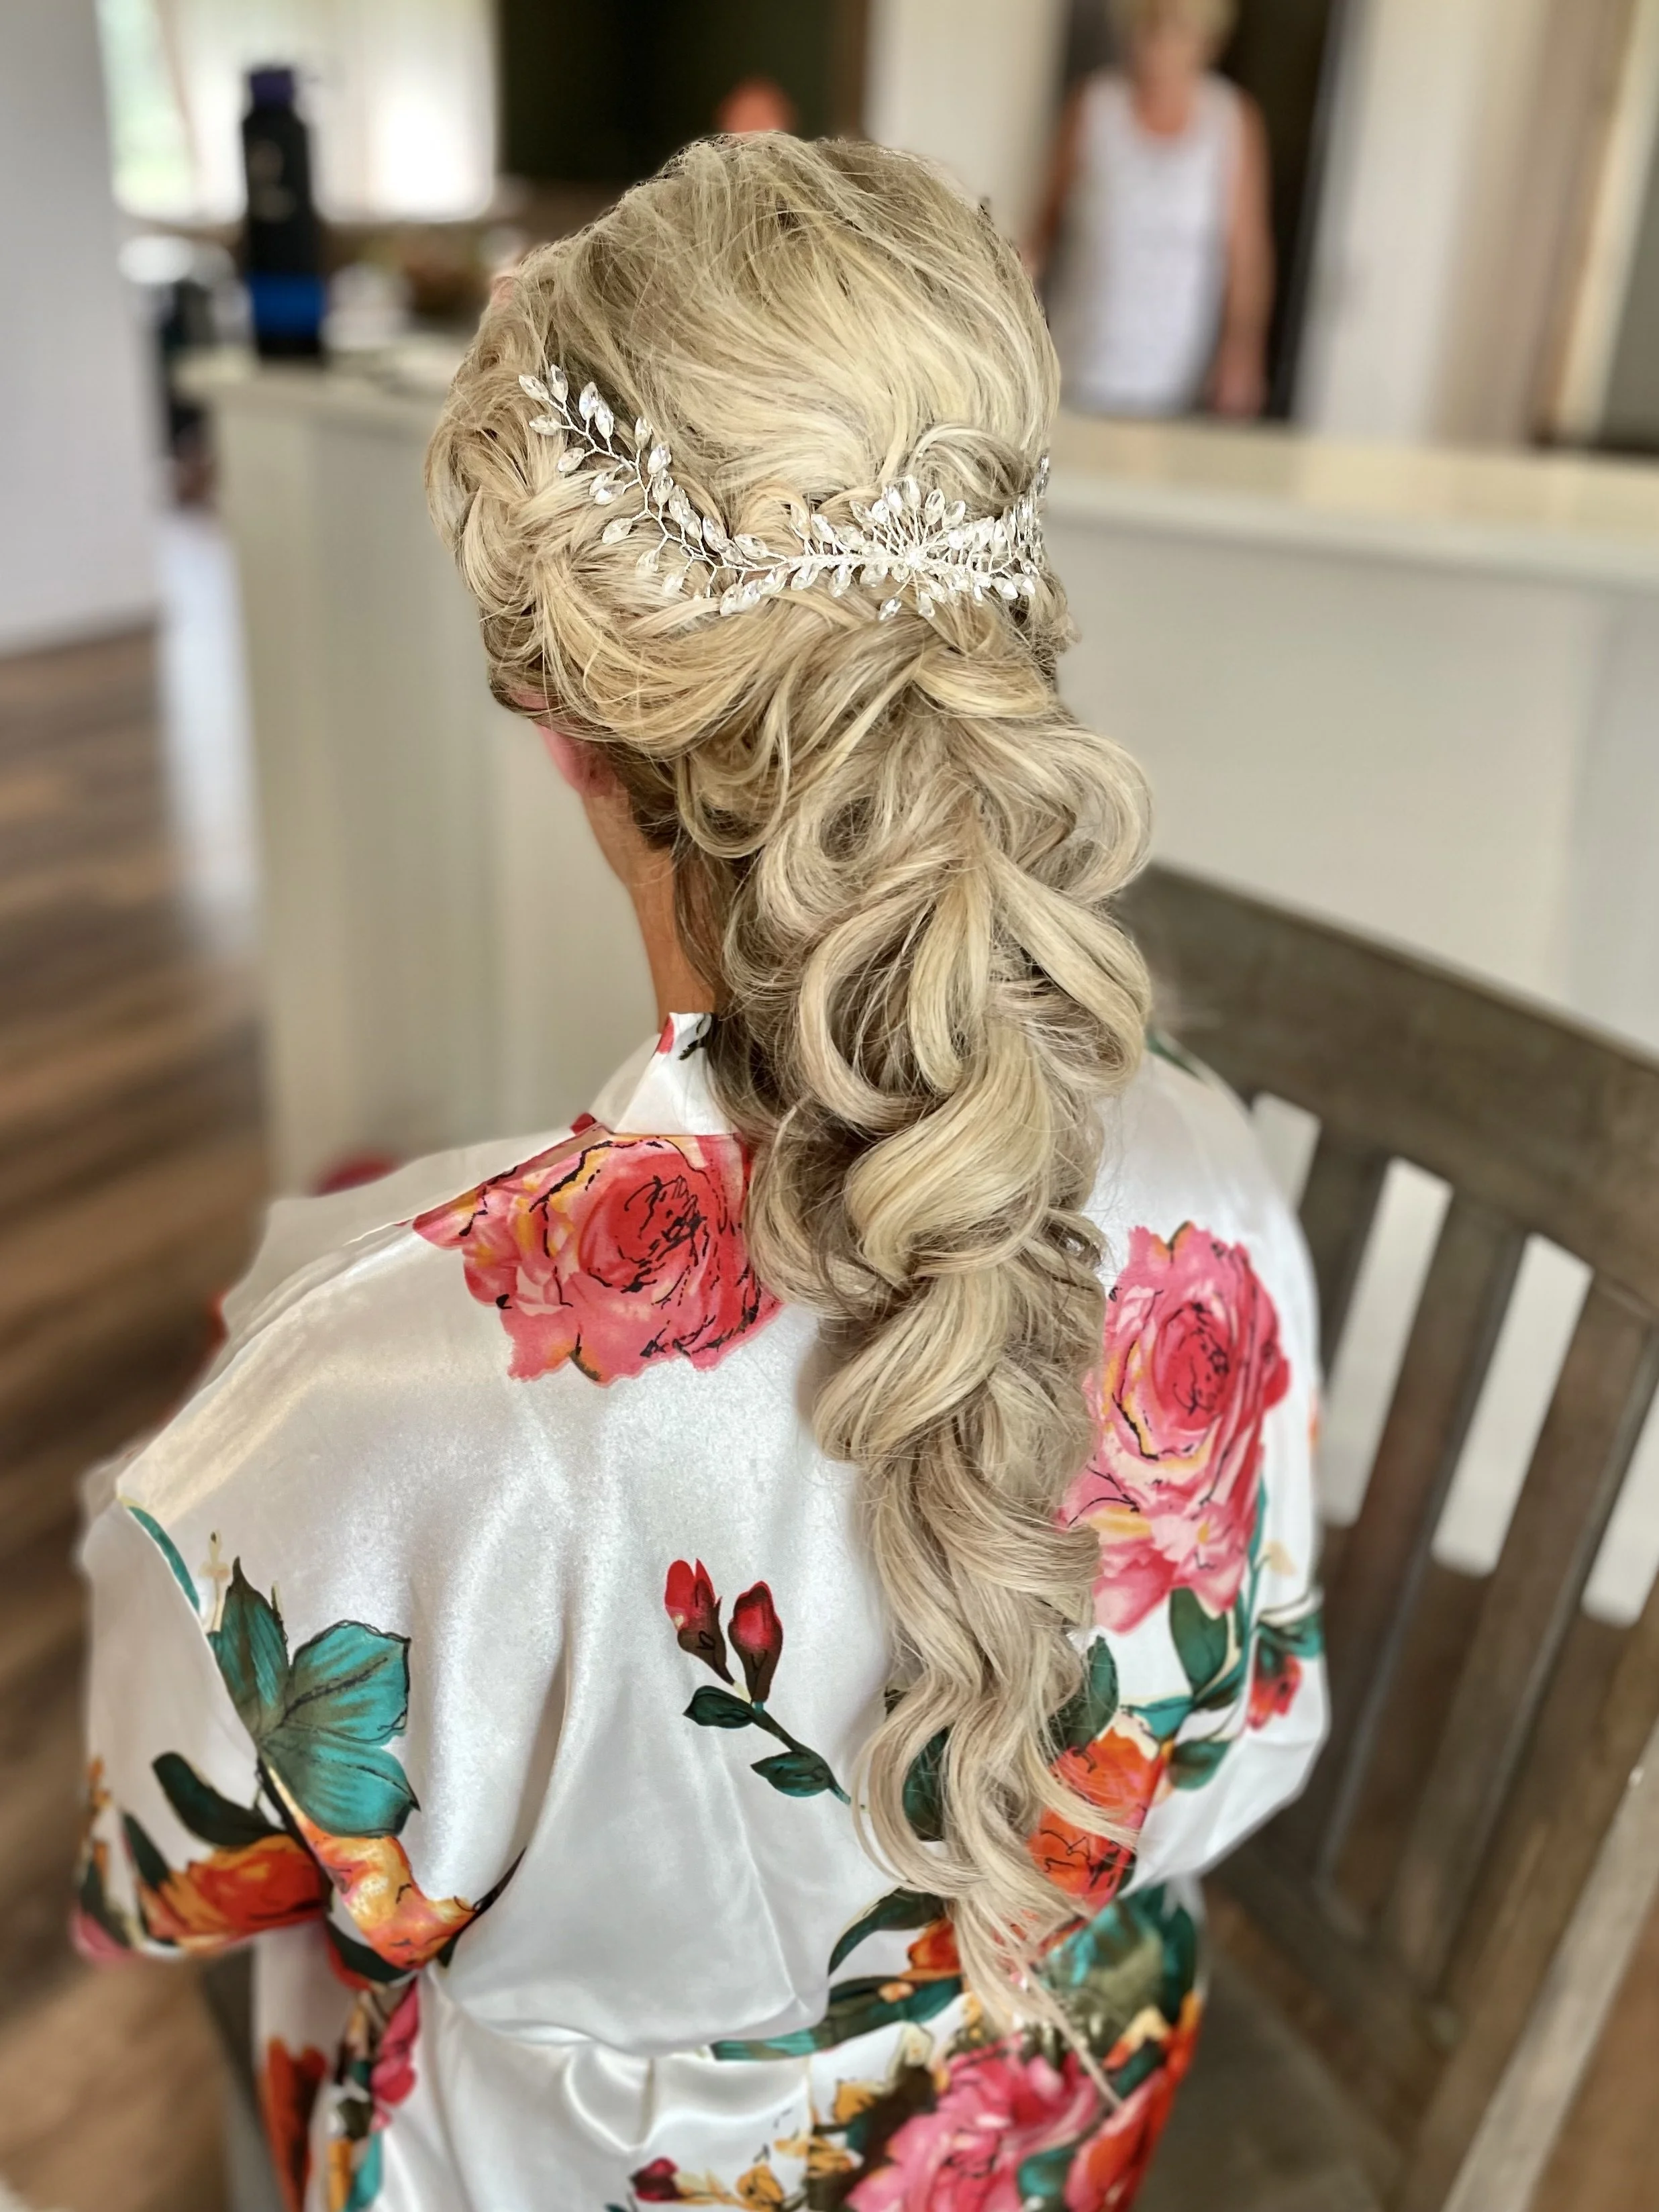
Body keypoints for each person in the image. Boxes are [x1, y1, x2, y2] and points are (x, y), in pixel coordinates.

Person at [77, 136, 1324, 2209]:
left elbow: (166, 1876)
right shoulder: (1223, 1199)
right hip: (1060, 2133)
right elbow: (1245, 1731)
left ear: (556, 709)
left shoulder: (382, 1419)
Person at [1034, 0, 1274, 418]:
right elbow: (1042, 231)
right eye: (1148, 26)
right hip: (1080, 355)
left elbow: (1247, 254)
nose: (1159, 43)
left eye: (1176, 28)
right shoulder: (1092, 105)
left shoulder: (1231, 120)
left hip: (1174, 371)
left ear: (1208, 39)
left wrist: (1242, 351)